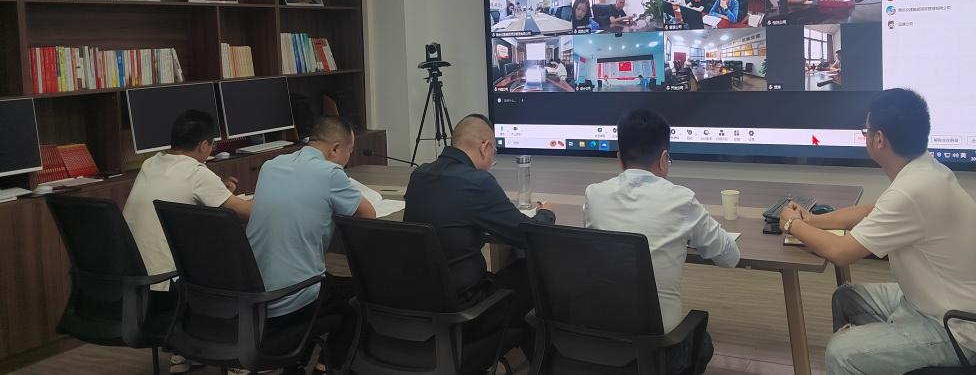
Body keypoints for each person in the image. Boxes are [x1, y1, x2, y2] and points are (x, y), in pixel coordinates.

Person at [778, 89, 976, 374]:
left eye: (866, 131)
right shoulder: (925, 171)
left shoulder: (913, 190)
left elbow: (840, 252)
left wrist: (791, 223)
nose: (865, 137)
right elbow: (869, 211)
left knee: (842, 353)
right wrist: (811, 220)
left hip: (959, 331)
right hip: (931, 305)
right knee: (846, 297)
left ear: (879, 139)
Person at [584, 109, 740, 375]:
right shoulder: (681, 200)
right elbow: (730, 257)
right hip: (659, 352)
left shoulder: (593, 195)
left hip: (599, 344)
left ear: (619, 159)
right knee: (703, 343)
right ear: (664, 158)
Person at [405, 114, 557, 356]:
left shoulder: (419, 175)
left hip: (421, 304)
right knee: (534, 273)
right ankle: (540, 361)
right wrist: (546, 214)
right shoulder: (477, 181)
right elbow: (529, 235)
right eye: (494, 152)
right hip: (466, 312)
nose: (492, 160)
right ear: (485, 147)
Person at [123, 109, 253, 375]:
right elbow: (246, 212)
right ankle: (235, 358)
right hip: (171, 289)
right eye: (211, 145)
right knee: (239, 266)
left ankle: (183, 351)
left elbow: (182, 201)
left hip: (135, 286)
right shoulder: (196, 173)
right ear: (204, 145)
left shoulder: (151, 164)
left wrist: (219, 191)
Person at [246, 116, 375, 371]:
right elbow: (367, 215)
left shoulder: (271, 165)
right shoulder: (329, 173)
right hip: (292, 299)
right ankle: (326, 367)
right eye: (349, 151)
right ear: (335, 149)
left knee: (330, 282)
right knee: (360, 296)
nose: (348, 159)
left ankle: (297, 362)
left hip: (253, 298)